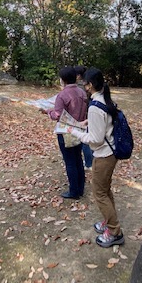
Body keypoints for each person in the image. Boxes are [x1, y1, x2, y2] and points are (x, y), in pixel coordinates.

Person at [68, 68, 124, 248]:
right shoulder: (104, 99)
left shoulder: (94, 106)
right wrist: (88, 123)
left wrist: (75, 132)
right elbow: (104, 123)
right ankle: (109, 222)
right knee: (105, 190)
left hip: (104, 155)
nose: (83, 85)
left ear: (90, 85)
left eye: (84, 83)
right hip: (111, 151)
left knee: (99, 193)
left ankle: (115, 233)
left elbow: (96, 139)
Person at [42, 67, 88, 199]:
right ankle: (80, 188)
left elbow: (57, 115)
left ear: (63, 80)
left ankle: (74, 192)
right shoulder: (82, 92)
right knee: (78, 158)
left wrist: (47, 111)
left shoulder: (62, 95)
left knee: (70, 162)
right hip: (80, 129)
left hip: (66, 131)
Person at [74, 65, 93, 170]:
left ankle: (89, 163)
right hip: (87, 114)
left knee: (84, 140)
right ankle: (90, 160)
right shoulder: (86, 84)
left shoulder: (80, 87)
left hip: (84, 116)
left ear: (77, 76)